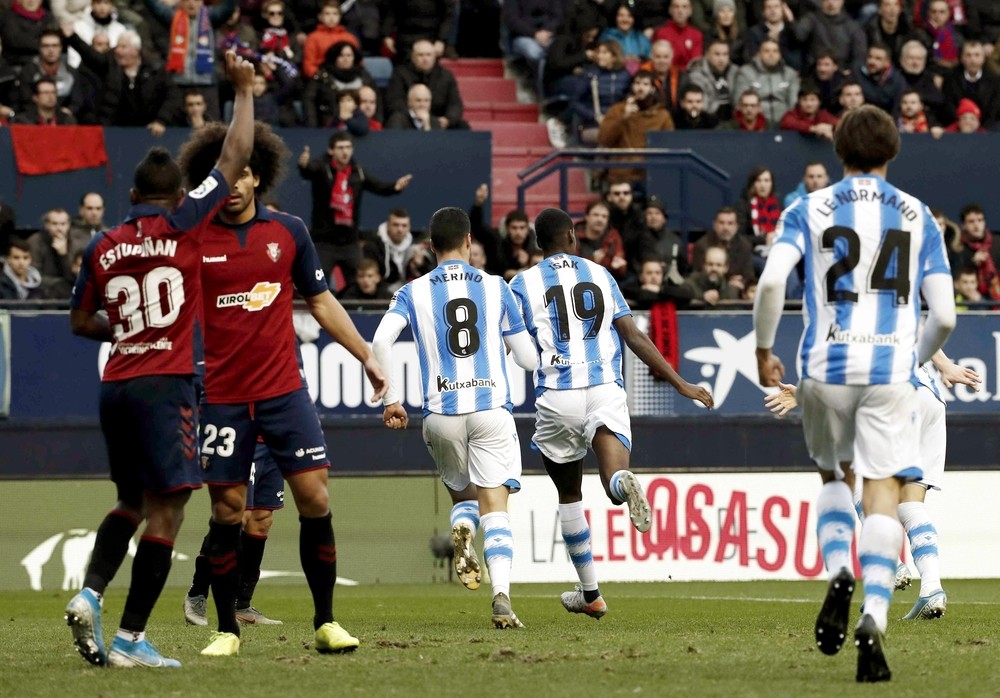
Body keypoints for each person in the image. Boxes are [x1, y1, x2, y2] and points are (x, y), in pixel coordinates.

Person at [63, 49, 256, 669]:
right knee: (170, 508)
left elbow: (78, 322)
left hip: (116, 383)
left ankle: (91, 593)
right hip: (165, 383)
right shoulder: (186, 223)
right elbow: (233, 158)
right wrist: (244, 90)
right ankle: (129, 639)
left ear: (129, 194)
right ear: (175, 194)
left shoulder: (103, 244)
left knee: (130, 499)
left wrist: (127, 329)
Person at [752, 105, 956, 683]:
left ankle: (840, 567)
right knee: (885, 492)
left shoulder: (808, 207)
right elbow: (942, 314)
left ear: (838, 151)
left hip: (824, 369)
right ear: (892, 152)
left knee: (837, 479)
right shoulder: (918, 216)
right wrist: (911, 358)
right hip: (891, 375)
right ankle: (874, 615)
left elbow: (771, 281)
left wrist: (763, 347)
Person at [176, 120, 388, 657]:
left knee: (314, 498)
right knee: (227, 511)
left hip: (284, 392)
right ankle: (227, 629)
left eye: (243, 175)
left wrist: (366, 354)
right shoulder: (195, 239)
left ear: (258, 177)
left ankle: (326, 622)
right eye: (224, 178)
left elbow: (321, 302)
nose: (234, 186)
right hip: (223, 398)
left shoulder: (288, 231)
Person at [509, 208, 712, 621]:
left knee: (569, 495)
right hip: (604, 387)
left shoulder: (521, 283)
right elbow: (633, 335)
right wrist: (680, 384)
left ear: (536, 243)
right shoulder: (601, 274)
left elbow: (512, 344)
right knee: (612, 473)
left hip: (557, 394)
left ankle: (591, 593)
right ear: (570, 235)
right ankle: (622, 484)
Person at [372, 207, 538, 629]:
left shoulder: (413, 290)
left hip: (440, 414)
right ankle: (501, 596)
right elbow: (527, 358)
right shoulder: (498, 287)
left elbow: (380, 340)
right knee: (495, 506)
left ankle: (462, 529)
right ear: (469, 242)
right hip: (489, 411)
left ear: (429, 248)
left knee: (463, 496)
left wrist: (391, 398)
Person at [763, 350, 981, 620]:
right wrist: (946, 365)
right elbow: (924, 327)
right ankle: (932, 589)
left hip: (896, 397)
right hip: (931, 398)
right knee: (910, 503)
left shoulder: (847, 319)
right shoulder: (897, 310)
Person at [297, 132, 412, 289]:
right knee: (319, 286)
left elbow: (378, 186)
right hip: (323, 242)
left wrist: (395, 187)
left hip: (350, 242)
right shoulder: (322, 167)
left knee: (359, 283)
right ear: (331, 150)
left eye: (348, 147)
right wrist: (303, 166)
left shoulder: (358, 171)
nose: (345, 152)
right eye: (341, 148)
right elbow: (310, 171)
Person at [733, 39, 800, 127]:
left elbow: (794, 104)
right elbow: (739, 103)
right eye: (766, 51)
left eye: (775, 51)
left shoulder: (790, 74)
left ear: (780, 55)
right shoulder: (746, 72)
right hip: (757, 124)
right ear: (759, 54)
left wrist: (790, 121)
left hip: (784, 123)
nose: (771, 54)